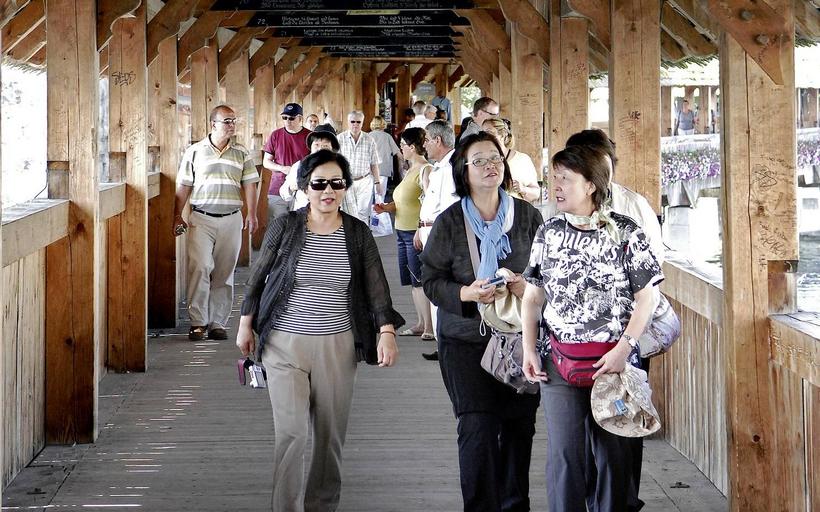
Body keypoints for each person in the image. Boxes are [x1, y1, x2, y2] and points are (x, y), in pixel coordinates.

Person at [237, 149, 403, 512]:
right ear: (304, 187)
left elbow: (376, 285)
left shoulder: (357, 233)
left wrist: (386, 331)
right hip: (283, 343)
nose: (328, 191)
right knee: (292, 433)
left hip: (338, 346)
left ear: (346, 187)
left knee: (329, 438)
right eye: (319, 183)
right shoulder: (286, 226)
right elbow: (259, 275)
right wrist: (246, 324)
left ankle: (322, 506)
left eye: (337, 183)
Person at [520, 145, 663, 512]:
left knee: (614, 458)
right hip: (559, 363)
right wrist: (529, 349)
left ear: (590, 186)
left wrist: (624, 348)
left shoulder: (626, 232)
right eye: (554, 178)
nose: (556, 186)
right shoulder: (548, 231)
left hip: (613, 366)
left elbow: (646, 298)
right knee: (565, 457)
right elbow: (533, 298)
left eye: (565, 179)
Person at [420, 132, 543, 510]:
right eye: (479, 160)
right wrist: (466, 294)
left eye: (495, 158)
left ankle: (513, 505)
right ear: (464, 171)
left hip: (520, 340)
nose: (490, 166)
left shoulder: (528, 216)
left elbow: (547, 275)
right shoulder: (450, 221)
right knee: (477, 427)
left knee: (518, 429)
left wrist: (525, 287)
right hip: (464, 339)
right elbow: (431, 280)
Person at [564, 129, 664, 512]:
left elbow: (652, 281)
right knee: (584, 429)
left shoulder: (634, 207)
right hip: (574, 344)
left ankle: (620, 501)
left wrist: (628, 341)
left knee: (623, 425)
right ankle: (599, 498)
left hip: (627, 341)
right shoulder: (559, 206)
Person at [173, 105, 259, 341]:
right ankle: (198, 322)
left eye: (234, 120)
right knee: (200, 267)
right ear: (213, 125)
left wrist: (252, 213)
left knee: (224, 272)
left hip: (231, 218)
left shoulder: (242, 153)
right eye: (227, 121)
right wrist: (176, 215)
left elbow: (250, 184)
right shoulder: (194, 152)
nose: (232, 125)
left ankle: (218, 322)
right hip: (201, 218)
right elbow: (183, 186)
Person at [374, 127, 435, 340]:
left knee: (419, 281)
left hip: (414, 232)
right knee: (411, 281)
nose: (401, 149)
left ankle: (429, 326)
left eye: (403, 146)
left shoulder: (425, 170)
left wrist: (421, 227)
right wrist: (387, 207)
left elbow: (429, 202)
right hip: (401, 230)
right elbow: (403, 201)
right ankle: (420, 322)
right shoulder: (408, 169)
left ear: (411, 147)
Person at [417, 120, 459, 360]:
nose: (425, 145)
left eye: (427, 140)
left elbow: (449, 209)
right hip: (428, 229)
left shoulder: (451, 168)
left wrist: (437, 239)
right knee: (433, 287)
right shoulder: (440, 167)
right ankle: (441, 342)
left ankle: (445, 342)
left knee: (438, 286)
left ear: (437, 141)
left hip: (439, 234)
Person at [261, 102, 311, 223]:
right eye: (284, 117)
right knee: (278, 224)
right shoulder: (276, 135)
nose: (288, 121)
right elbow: (266, 162)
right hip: (277, 187)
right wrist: (282, 168)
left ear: (300, 118)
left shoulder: (310, 136)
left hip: (301, 188)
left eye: (291, 118)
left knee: (300, 224)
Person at [279, 124, 340, 211]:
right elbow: (284, 194)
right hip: (302, 218)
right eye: (316, 145)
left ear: (332, 149)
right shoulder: (299, 166)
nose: (320, 149)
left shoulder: (339, 169)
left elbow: (349, 201)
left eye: (325, 146)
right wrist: (292, 187)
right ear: (311, 146)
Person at [482, 117, 540, 203]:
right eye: (482, 133)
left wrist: (523, 189)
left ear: (502, 134)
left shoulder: (523, 160)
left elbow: (536, 194)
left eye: (489, 132)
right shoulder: (480, 161)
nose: (484, 137)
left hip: (517, 212)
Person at [338, 110, 382, 223]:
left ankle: (362, 238)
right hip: (346, 181)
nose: (355, 124)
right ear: (348, 122)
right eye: (353, 121)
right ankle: (349, 238)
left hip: (364, 180)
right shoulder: (339, 139)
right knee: (347, 211)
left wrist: (378, 183)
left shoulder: (369, 139)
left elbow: (374, 163)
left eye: (358, 122)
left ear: (362, 123)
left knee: (363, 212)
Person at [369, 115, 402, 200]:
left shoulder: (368, 136)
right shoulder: (387, 136)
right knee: (380, 196)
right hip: (383, 169)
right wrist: (405, 161)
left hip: (370, 170)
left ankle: (370, 212)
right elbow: (397, 152)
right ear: (383, 124)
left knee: (369, 195)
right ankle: (379, 211)